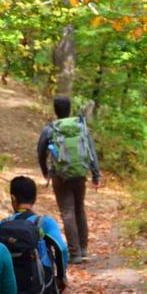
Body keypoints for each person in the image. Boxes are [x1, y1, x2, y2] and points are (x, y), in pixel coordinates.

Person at [37, 95, 100, 263]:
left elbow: (41, 151)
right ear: (69, 109)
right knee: (79, 209)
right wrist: (95, 174)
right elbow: (91, 150)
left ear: (55, 110)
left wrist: (45, 171)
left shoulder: (50, 129)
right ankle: (84, 249)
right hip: (80, 174)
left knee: (67, 212)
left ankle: (75, 253)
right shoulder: (80, 127)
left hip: (60, 176)